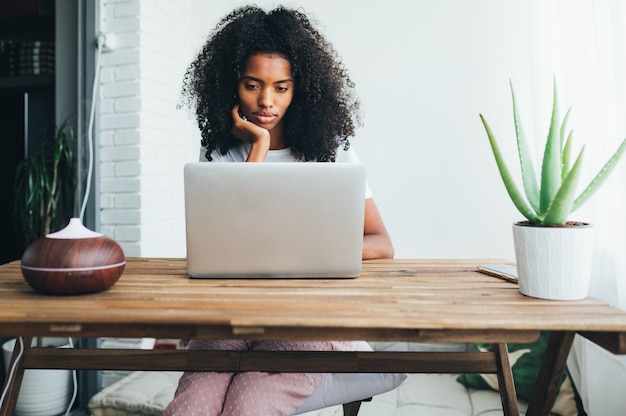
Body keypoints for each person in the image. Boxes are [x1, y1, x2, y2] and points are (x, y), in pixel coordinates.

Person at [165, 6, 394, 416]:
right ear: (230, 85)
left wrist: (302, 254)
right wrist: (258, 147)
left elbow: (381, 243)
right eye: (252, 85)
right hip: (230, 315)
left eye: (281, 88)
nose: (266, 102)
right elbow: (221, 246)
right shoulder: (219, 149)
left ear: (300, 89)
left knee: (249, 406)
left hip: (307, 318)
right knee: (190, 407)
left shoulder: (330, 148)